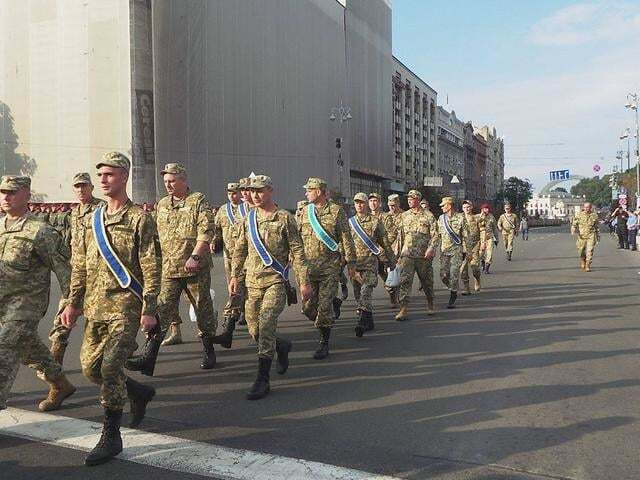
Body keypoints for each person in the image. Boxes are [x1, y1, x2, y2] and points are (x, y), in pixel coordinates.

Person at [60, 152, 160, 466]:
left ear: (124, 177)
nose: (103, 180)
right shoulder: (92, 219)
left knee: (109, 367)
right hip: (95, 306)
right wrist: (73, 303)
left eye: (110, 175)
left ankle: (111, 435)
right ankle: (137, 391)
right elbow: (80, 265)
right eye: (100, 175)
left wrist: (150, 307)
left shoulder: (139, 218)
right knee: (91, 368)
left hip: (126, 307)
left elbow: (151, 266)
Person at [127, 163, 217, 375]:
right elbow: (155, 234)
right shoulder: (163, 204)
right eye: (165, 181)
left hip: (195, 269)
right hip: (169, 269)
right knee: (161, 310)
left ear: (183, 180)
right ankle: (149, 357)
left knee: (201, 309)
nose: (167, 184)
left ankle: (208, 349)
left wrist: (195, 256)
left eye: (172, 180)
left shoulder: (198, 200)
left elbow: (206, 230)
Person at [230, 175, 312, 399]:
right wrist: (235, 276)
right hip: (252, 283)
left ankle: (262, 379)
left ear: (270, 190)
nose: (255, 195)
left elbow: (298, 251)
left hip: (275, 280)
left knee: (266, 323)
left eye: (260, 191)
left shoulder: (285, 218)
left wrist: (303, 281)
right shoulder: (248, 218)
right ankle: (281, 346)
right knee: (254, 330)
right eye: (252, 191)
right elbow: (240, 249)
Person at [0, 175, 76, 413]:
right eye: (3, 192)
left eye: (12, 192)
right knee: (29, 348)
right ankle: (60, 383)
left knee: (4, 349)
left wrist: (71, 303)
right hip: (3, 302)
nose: (5, 197)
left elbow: (65, 270)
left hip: (25, 306)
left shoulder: (40, 231)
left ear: (27, 196)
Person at [48, 172, 103, 366]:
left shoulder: (102, 208)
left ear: (91, 187)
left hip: (99, 275)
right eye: (77, 186)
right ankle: (55, 364)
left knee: (102, 321)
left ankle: (120, 350)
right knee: (63, 317)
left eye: (84, 186)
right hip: (77, 275)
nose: (81, 190)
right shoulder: (74, 213)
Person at [298, 178, 357, 360]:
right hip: (309, 270)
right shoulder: (304, 212)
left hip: (330, 268)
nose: (306, 192)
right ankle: (330, 312)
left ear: (320, 191)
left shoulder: (336, 211)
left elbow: (346, 237)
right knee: (308, 308)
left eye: (310, 189)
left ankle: (324, 342)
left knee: (323, 308)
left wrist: (351, 264)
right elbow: (297, 240)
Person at [349, 193, 396, 336]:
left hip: (370, 264)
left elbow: (385, 243)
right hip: (355, 266)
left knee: (365, 292)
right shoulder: (350, 222)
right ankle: (369, 321)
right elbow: (344, 243)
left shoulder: (375, 222)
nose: (359, 205)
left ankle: (362, 323)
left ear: (366, 205)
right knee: (359, 295)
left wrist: (391, 262)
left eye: (362, 202)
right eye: (356, 203)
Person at [395, 190, 438, 320]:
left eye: (412, 198)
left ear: (418, 200)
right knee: (405, 281)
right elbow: (399, 234)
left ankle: (430, 303)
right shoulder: (404, 215)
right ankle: (403, 309)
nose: (409, 200)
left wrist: (431, 248)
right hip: (407, 254)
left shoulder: (428, 216)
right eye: (408, 198)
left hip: (423, 256)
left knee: (426, 282)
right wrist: (397, 252)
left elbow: (435, 234)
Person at [211, 182, 244, 349]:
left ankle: (228, 329)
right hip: (228, 256)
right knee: (234, 288)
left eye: (235, 192)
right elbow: (216, 229)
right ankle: (240, 312)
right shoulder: (223, 210)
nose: (232, 195)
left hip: (246, 257)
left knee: (236, 291)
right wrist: (213, 241)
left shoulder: (248, 209)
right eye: (229, 192)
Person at [436, 197, 468, 309]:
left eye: (443, 205)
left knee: (454, 273)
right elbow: (437, 234)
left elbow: (466, 236)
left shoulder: (461, 218)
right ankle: (452, 287)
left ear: (449, 206)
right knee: (443, 275)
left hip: (456, 251)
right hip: (444, 251)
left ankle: (453, 294)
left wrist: (466, 250)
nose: (441, 207)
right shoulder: (441, 218)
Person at [460, 200, 485, 295]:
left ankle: (477, 280)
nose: (467, 209)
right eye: (465, 207)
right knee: (462, 269)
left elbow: (482, 230)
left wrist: (483, 243)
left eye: (468, 207)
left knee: (475, 268)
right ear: (462, 208)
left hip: (475, 246)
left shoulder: (477, 218)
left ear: (471, 207)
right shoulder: (459, 219)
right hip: (462, 247)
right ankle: (466, 288)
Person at [571, 202, 600, 272]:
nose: (587, 209)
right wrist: (573, 230)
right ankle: (582, 260)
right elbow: (574, 224)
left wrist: (598, 235)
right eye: (586, 207)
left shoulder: (594, 215)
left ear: (591, 207)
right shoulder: (579, 215)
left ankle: (588, 265)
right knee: (581, 251)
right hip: (582, 236)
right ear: (583, 208)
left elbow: (596, 227)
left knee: (590, 251)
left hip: (591, 235)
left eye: (588, 207)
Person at [479, 203, 498, 273]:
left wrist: (497, 239)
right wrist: (481, 215)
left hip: (489, 237)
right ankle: (482, 262)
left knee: (490, 253)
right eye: (484, 208)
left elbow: (495, 228)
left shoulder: (491, 217)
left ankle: (487, 268)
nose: (486, 210)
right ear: (482, 209)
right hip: (480, 238)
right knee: (480, 253)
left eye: (487, 208)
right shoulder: (478, 217)